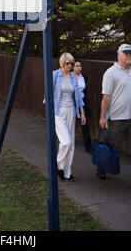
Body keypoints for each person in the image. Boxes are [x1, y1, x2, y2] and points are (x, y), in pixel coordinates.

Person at [97, 44, 131, 194]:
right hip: (117, 119)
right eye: (126, 53)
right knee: (110, 147)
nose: (129, 55)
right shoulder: (111, 73)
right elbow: (106, 97)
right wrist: (103, 117)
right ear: (118, 54)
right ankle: (101, 168)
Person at [51, 52, 86, 181]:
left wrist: (82, 112)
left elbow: (78, 96)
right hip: (58, 112)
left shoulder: (73, 77)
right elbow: (48, 95)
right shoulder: (55, 75)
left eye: (72, 63)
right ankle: (58, 164)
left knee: (71, 145)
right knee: (66, 142)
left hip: (71, 110)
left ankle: (66, 173)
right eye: (68, 63)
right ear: (62, 63)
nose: (70, 65)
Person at [73, 60, 92, 154]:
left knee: (85, 124)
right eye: (76, 66)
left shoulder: (83, 77)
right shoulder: (69, 77)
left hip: (82, 102)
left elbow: (84, 90)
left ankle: (88, 146)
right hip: (72, 102)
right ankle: (67, 142)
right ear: (73, 67)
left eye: (80, 66)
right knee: (70, 122)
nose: (79, 67)